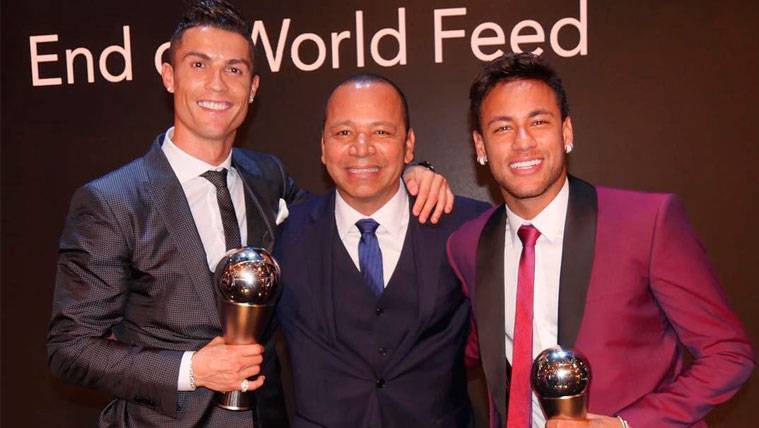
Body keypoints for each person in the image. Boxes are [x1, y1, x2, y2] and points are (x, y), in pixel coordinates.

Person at [47, 1, 452, 427]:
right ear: (169, 75)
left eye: (234, 69)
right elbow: (71, 348)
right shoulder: (113, 200)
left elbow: (341, 213)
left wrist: (410, 174)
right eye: (199, 64)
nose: (217, 85)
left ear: (254, 87)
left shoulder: (268, 177)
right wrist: (191, 370)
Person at [446, 53, 754, 428]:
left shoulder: (647, 222)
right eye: (502, 128)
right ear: (480, 147)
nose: (522, 142)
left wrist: (626, 425)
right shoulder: (466, 244)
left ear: (567, 132)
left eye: (538, 122)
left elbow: (729, 354)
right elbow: (457, 350)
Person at [274, 74, 490, 427]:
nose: (362, 148)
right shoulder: (282, 236)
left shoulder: (469, 227)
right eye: (344, 133)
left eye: (381, 132)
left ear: (408, 146)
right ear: (323, 146)